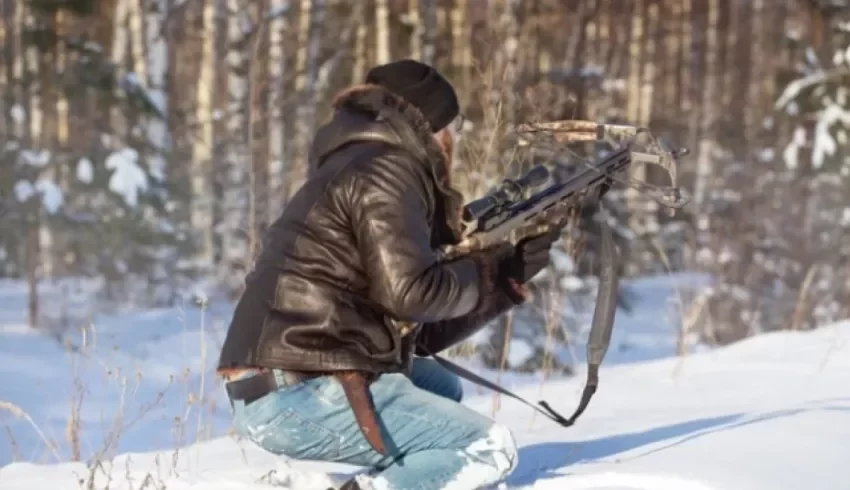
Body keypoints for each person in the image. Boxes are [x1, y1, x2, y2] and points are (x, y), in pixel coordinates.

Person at [216, 59, 559, 490]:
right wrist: (484, 268)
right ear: (431, 126)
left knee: (440, 388)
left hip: (292, 376)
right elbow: (412, 294)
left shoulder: (359, 162)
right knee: (488, 449)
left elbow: (420, 329)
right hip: (295, 392)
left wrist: (506, 277)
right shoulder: (386, 170)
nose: (451, 140)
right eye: (449, 127)